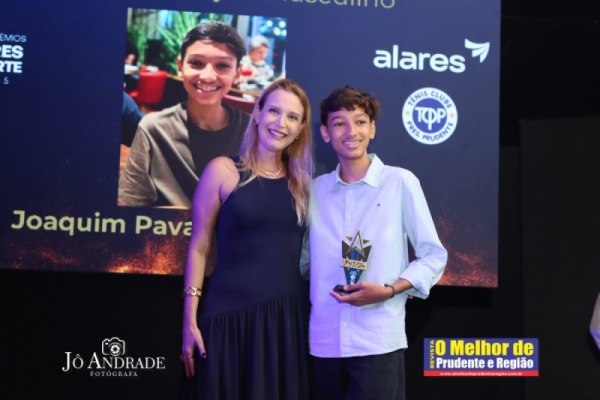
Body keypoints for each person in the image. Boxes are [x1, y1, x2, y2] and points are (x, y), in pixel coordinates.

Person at [302, 86, 448, 400]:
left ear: (372, 129)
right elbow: (303, 262)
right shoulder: (314, 191)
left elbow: (433, 256)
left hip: (378, 340)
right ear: (325, 133)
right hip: (324, 341)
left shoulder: (400, 182)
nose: (350, 131)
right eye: (339, 123)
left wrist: (391, 289)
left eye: (360, 121)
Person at [181, 79, 314, 400]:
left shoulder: (304, 186)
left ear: (300, 129)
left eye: (292, 117)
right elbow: (199, 248)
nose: (281, 123)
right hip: (227, 317)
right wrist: (189, 320)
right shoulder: (223, 171)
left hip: (286, 322)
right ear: (257, 113)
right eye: (274, 111)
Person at [118, 22, 250, 207]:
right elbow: (131, 205)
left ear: (237, 73)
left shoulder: (255, 133)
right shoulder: (152, 129)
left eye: (222, 65)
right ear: (180, 66)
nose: (207, 76)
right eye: (196, 63)